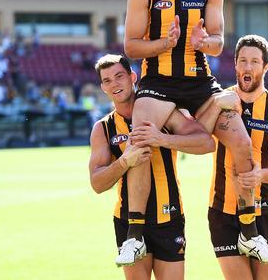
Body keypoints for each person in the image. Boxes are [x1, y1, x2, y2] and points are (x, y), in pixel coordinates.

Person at [121, 0, 268, 265]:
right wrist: (166, 42)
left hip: (199, 80)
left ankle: (249, 232)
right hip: (158, 82)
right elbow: (131, 46)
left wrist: (204, 41)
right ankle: (134, 236)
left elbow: (219, 42)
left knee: (240, 140)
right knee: (141, 137)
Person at [88, 54, 218, 279]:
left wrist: (162, 139)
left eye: (119, 76)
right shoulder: (103, 128)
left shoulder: (163, 112)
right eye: (107, 80)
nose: (115, 84)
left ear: (133, 77)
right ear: (103, 87)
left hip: (169, 216)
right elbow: (97, 184)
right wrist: (123, 162)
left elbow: (206, 143)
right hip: (127, 220)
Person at [209, 35, 268, 279]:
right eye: (242, 61)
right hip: (223, 211)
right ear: (236, 65)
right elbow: (197, 135)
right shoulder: (218, 102)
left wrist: (262, 175)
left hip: (264, 213)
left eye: (254, 62)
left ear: (265, 66)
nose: (248, 67)